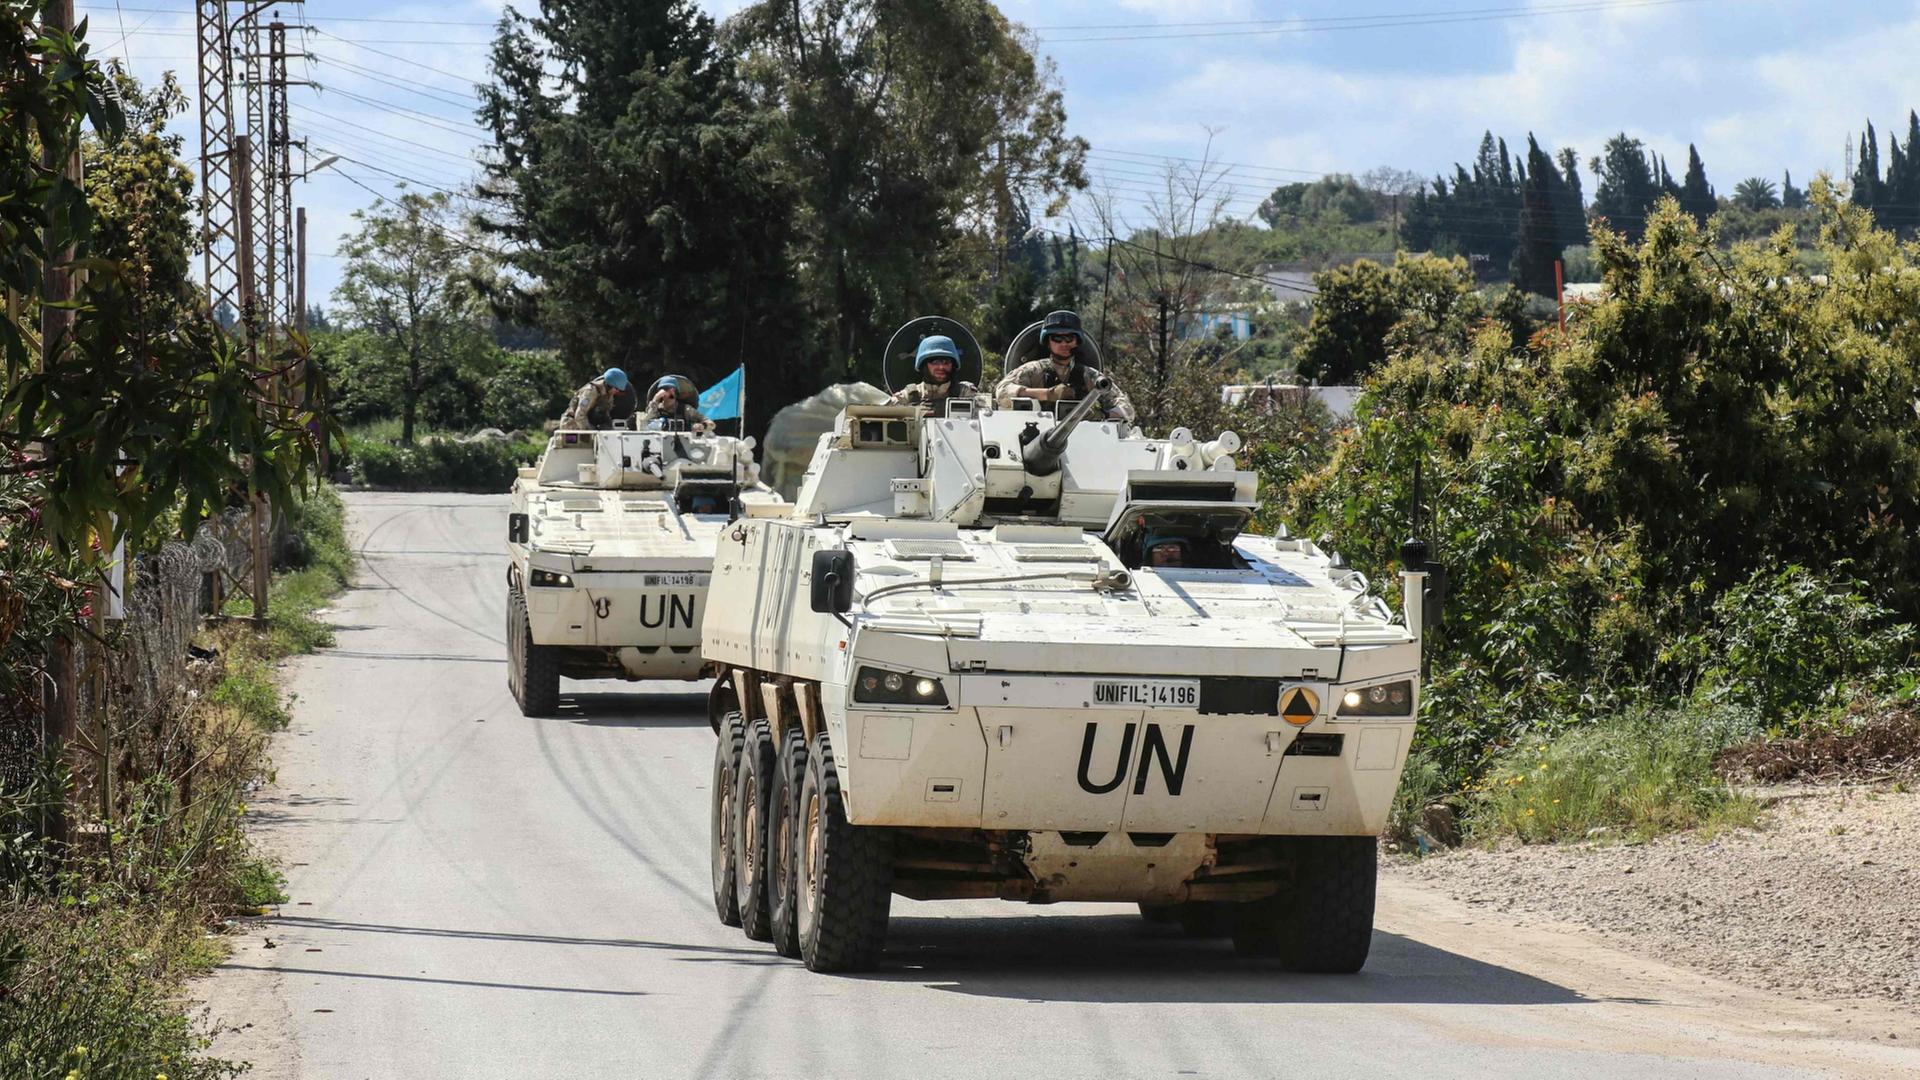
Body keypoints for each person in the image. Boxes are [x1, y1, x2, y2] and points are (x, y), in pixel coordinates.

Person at [994, 310, 1134, 424]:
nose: (1064, 344)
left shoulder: (1090, 376)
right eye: (1057, 338)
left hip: (1083, 436)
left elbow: (1126, 409)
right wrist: (1047, 394)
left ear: (1077, 342)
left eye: (1069, 338)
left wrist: (1100, 415)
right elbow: (1001, 391)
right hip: (1037, 432)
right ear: (1048, 342)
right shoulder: (1034, 371)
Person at [890, 336, 979, 409]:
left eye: (946, 362)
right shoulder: (910, 395)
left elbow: (984, 413)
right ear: (924, 365)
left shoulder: (964, 393)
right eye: (935, 362)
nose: (941, 367)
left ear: (953, 365)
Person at [558, 368, 637, 430]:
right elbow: (580, 416)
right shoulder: (590, 392)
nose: (617, 392)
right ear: (609, 385)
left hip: (589, 423)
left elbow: (605, 414)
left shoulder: (608, 394)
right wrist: (592, 432)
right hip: (572, 424)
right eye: (616, 389)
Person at [640, 374, 709, 428]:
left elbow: (709, 423)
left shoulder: (686, 409)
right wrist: (655, 400)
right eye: (665, 390)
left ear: (676, 393)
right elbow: (644, 426)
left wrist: (702, 426)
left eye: (672, 390)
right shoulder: (656, 410)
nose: (669, 394)